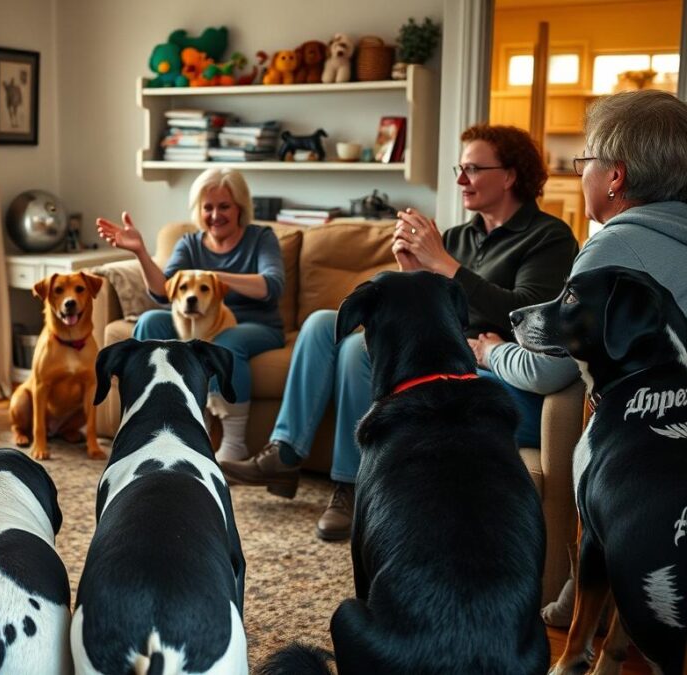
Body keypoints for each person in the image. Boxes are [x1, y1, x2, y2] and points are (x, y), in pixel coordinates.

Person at [221, 124, 579, 541]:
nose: (461, 180)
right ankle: (283, 453)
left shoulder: (548, 237)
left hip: (477, 364)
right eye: (459, 169)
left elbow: (521, 312)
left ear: (511, 175)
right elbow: (434, 306)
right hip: (436, 347)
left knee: (358, 349)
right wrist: (412, 271)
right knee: (321, 323)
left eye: (473, 169)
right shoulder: (459, 237)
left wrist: (443, 264)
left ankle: (353, 486)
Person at [473, 90, 687, 627]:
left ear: (615, 176)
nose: (582, 174)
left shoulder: (611, 247)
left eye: (584, 161)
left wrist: (492, 351)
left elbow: (548, 368)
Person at [96, 168, 285, 461]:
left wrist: (215, 278)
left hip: (254, 325)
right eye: (207, 207)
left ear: (240, 208)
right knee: (150, 321)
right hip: (196, 323)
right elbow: (163, 292)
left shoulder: (261, 238)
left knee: (226, 342)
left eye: (224, 206)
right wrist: (140, 252)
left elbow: (271, 286)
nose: (215, 215)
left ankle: (233, 444)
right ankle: (145, 417)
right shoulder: (190, 243)